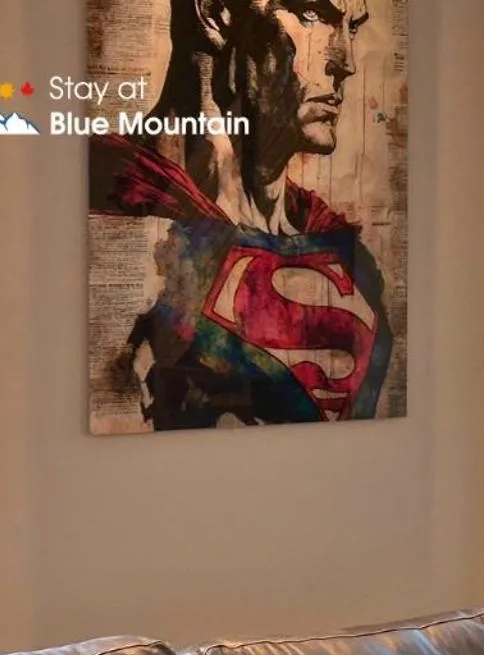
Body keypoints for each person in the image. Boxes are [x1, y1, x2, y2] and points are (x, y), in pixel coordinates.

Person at [90, 0, 395, 428]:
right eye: (312, 14)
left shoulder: (342, 249)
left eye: (354, 28)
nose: (344, 63)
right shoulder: (102, 214)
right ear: (214, 13)